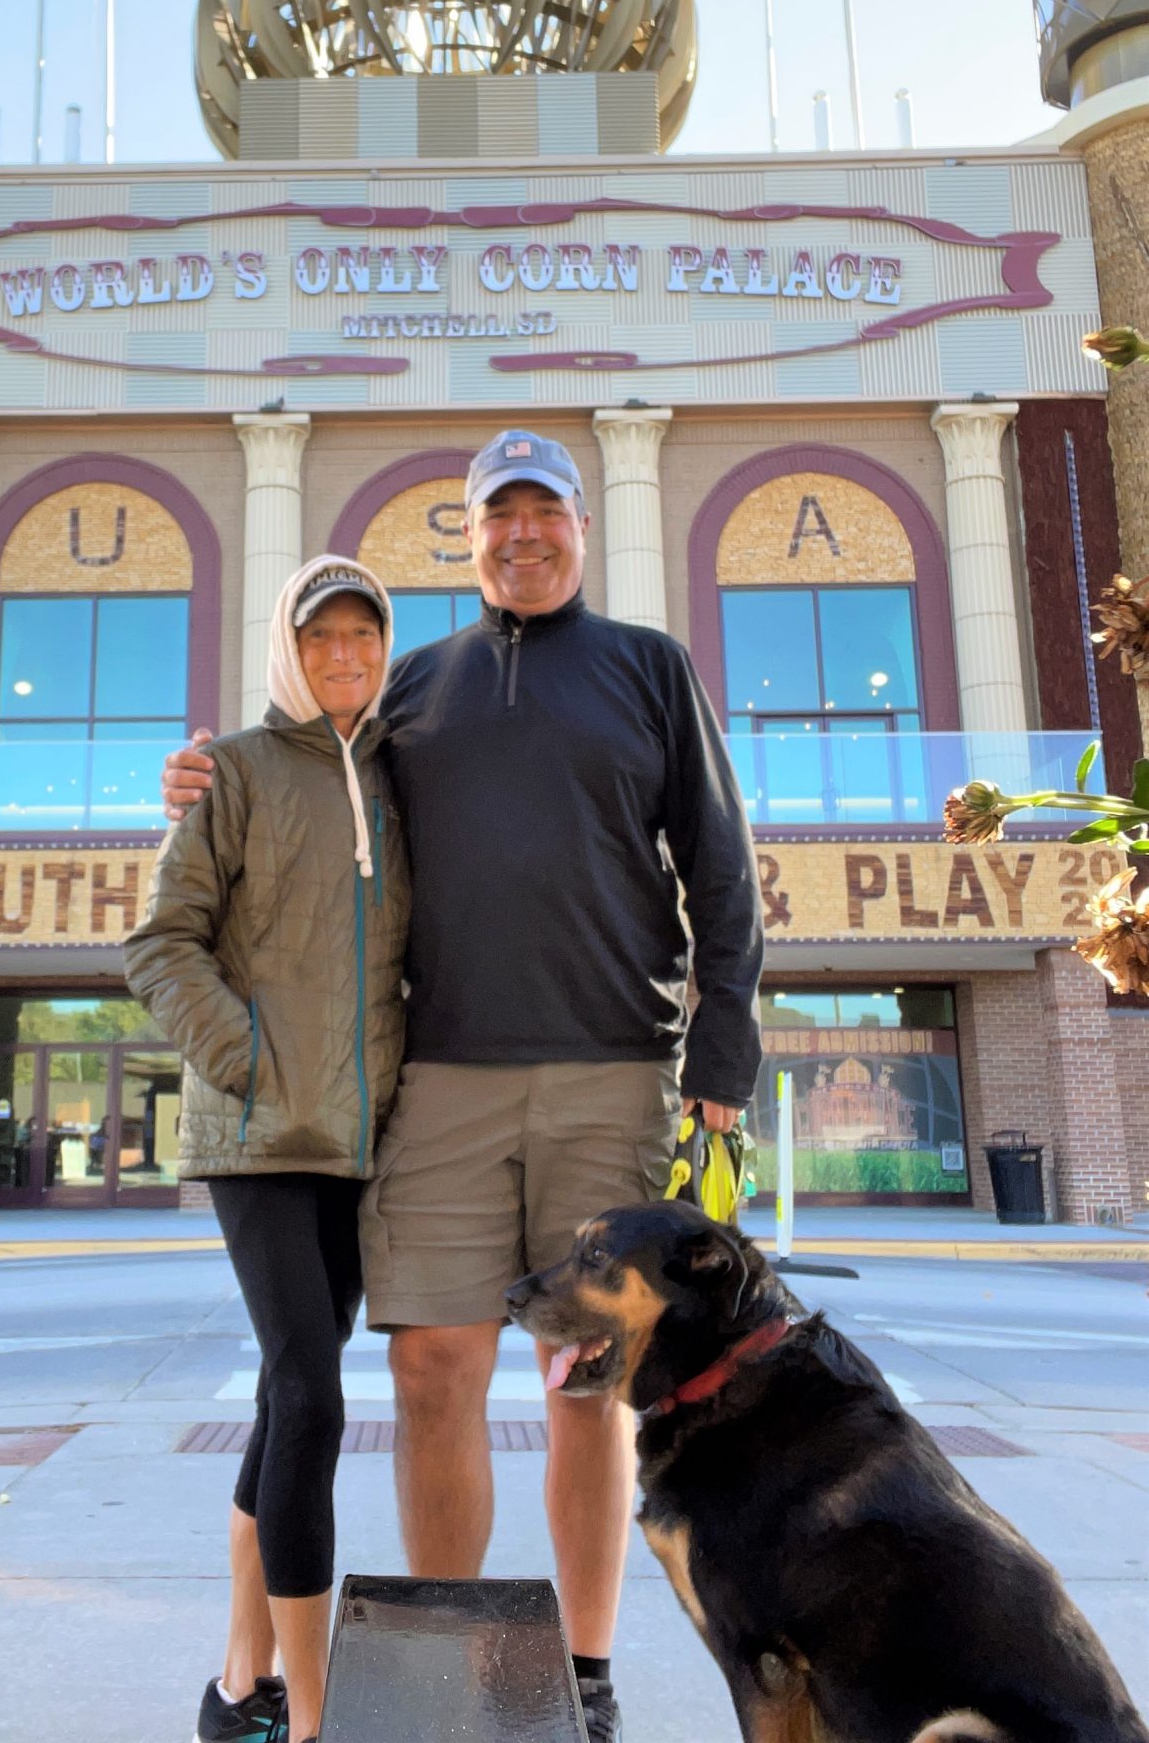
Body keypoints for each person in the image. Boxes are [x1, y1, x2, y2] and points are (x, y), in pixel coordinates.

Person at [165, 431, 764, 1743]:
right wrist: (202, 784)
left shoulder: (650, 670)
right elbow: (303, 781)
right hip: (441, 1077)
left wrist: (722, 1069)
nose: (525, 537)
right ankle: (455, 1665)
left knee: (586, 1385)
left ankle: (585, 1674)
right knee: (434, 1368)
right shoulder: (413, 689)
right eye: (502, 518)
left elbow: (722, 873)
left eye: (548, 513)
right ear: (471, 537)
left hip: (616, 1071)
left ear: (582, 531)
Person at [125, 554, 408, 1743]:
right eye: (321, 639)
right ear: (290, 651)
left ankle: (238, 1679)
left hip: (362, 1142)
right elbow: (159, 941)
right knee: (311, 1393)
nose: (343, 659)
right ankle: (311, 1714)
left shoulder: (405, 773)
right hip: (259, 1137)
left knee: (285, 1400)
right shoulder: (232, 770)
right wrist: (240, 1056)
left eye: (363, 638)